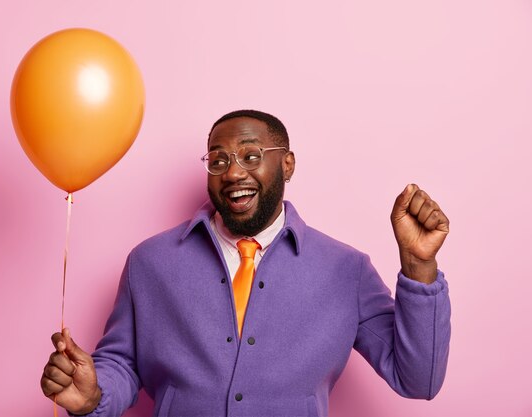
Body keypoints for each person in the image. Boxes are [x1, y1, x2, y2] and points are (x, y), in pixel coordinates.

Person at [40, 110, 451, 417]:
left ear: (287, 164)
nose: (233, 172)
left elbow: (418, 379)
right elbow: (122, 365)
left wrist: (419, 266)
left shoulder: (347, 270)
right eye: (218, 160)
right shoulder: (149, 262)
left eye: (251, 156)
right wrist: (95, 396)